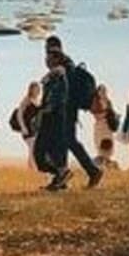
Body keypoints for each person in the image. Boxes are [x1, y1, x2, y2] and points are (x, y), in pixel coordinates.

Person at [42, 35, 102, 187]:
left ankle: (92, 171)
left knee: (67, 141)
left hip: (65, 109)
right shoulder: (66, 62)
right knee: (64, 142)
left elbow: (63, 89)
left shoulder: (62, 63)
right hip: (68, 109)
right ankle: (62, 178)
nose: (46, 52)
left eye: (47, 48)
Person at [35, 47, 76, 192]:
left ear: (57, 59)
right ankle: (60, 177)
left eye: (49, 58)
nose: (46, 60)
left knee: (39, 152)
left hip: (52, 117)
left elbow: (56, 96)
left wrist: (46, 110)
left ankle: (62, 173)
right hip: (54, 116)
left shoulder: (58, 73)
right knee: (51, 152)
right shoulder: (55, 73)